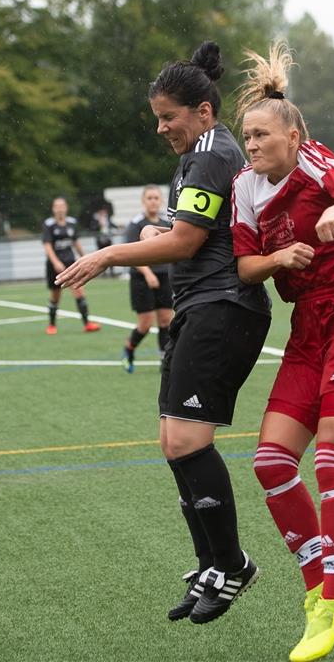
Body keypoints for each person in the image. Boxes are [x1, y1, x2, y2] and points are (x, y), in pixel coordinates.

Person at [56, 42, 272, 624]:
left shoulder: (211, 151)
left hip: (222, 308)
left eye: (168, 116)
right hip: (200, 306)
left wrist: (108, 254)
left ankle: (231, 565)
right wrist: (159, 230)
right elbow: (191, 229)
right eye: (157, 117)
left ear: (203, 111)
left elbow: (185, 244)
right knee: (173, 441)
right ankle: (213, 562)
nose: (160, 128)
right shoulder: (201, 153)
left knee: (186, 441)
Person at [230, 42, 334, 662]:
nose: (251, 145)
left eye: (262, 135)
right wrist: (278, 258)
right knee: (272, 464)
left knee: (331, 460)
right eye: (247, 136)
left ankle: (332, 604)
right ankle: (320, 596)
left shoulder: (317, 161)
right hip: (305, 330)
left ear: (294, 136)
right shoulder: (247, 188)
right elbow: (247, 266)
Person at [122, 185, 173, 373]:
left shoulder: (165, 223)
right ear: (143, 201)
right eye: (149, 198)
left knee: (166, 320)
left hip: (164, 276)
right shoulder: (136, 224)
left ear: (161, 201)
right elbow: (131, 253)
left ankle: (164, 359)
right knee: (145, 323)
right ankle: (129, 349)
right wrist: (148, 273)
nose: (153, 201)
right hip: (141, 277)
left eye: (156, 198)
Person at [42, 196, 101, 335]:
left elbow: (76, 242)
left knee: (79, 290)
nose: (60, 208)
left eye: (62, 206)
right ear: (53, 209)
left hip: (71, 263)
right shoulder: (49, 224)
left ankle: (87, 324)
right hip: (55, 266)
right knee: (55, 295)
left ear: (66, 208)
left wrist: (85, 257)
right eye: (57, 206)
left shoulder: (71, 223)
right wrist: (56, 262)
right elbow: (47, 245)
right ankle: (51, 325)